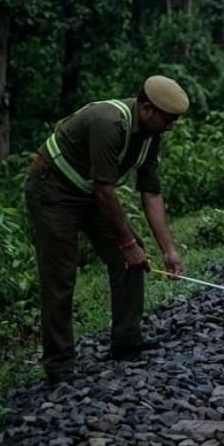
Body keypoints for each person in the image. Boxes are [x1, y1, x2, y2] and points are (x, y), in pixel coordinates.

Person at [25, 76, 189, 385]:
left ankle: (126, 339)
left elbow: (151, 192)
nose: (170, 127)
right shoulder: (111, 123)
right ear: (146, 109)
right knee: (60, 275)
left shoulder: (151, 135)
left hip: (89, 192)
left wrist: (168, 249)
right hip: (53, 190)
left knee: (132, 259)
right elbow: (105, 190)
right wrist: (127, 243)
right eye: (168, 120)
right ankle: (59, 364)